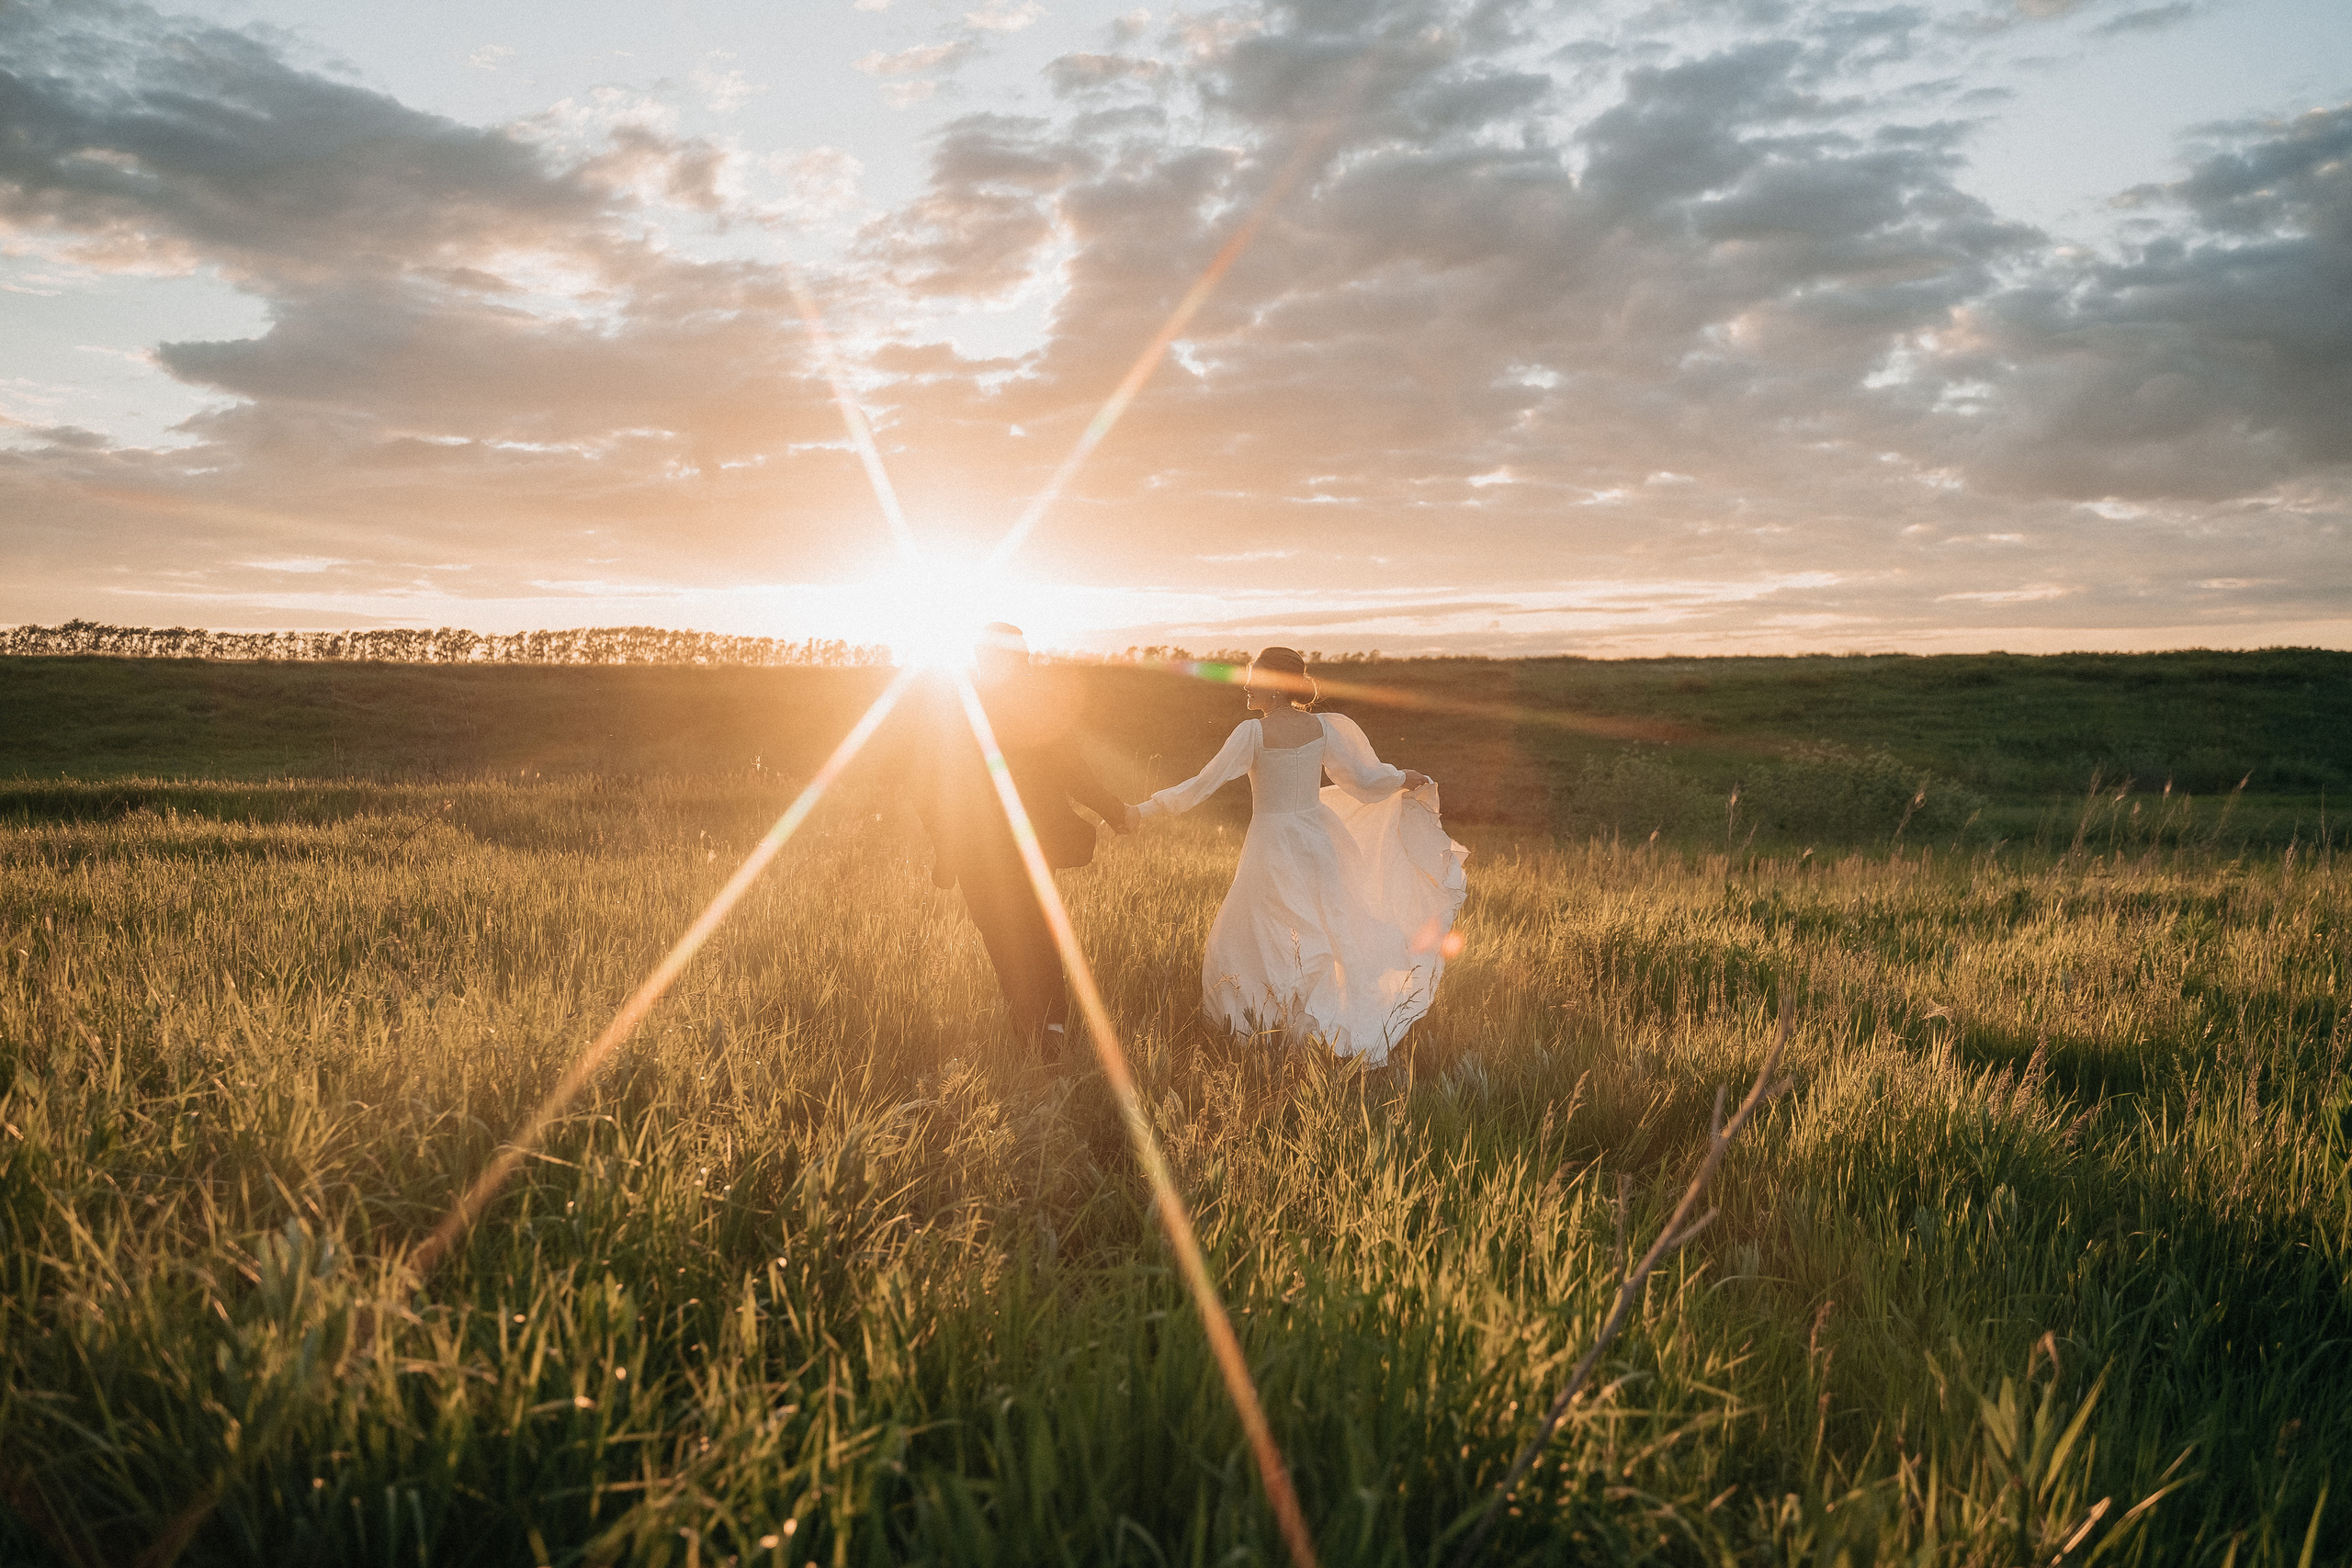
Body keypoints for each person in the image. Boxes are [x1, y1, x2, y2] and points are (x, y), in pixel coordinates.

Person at [1128, 646, 1467, 1065]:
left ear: (1273, 684)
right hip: (1317, 840)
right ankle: (1300, 1026)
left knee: (1253, 934)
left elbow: (1202, 784)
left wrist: (1143, 810)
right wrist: (1401, 777)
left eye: (1253, 677)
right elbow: (1362, 780)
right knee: (1320, 930)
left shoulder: (1251, 734)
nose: (1247, 685)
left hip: (1272, 844)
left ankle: (1267, 1030)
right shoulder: (1322, 729)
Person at [915, 623, 1130, 1060]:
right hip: (1016, 843)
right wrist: (1113, 810)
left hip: (992, 845)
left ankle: (1036, 1027)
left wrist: (945, 845)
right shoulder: (1019, 706)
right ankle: (1045, 1026)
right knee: (1028, 929)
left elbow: (924, 784)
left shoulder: (954, 707)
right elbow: (1073, 770)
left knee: (1009, 932)